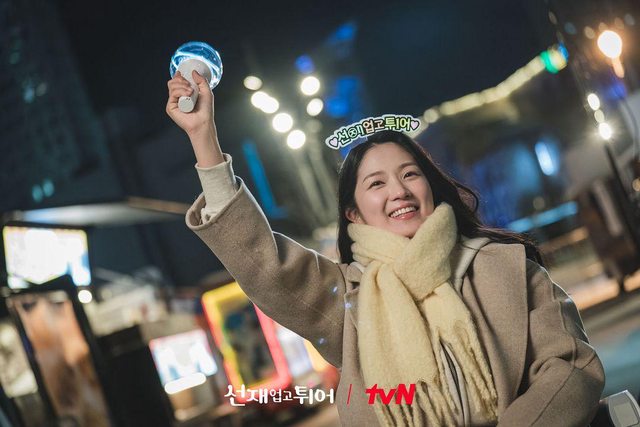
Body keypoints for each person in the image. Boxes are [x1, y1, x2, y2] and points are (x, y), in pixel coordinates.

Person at [167, 71, 605, 426]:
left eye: (410, 174)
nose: (399, 191)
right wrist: (203, 137)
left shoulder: (506, 267)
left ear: (430, 187)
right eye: (376, 183)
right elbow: (263, 263)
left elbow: (571, 365)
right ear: (354, 214)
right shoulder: (345, 302)